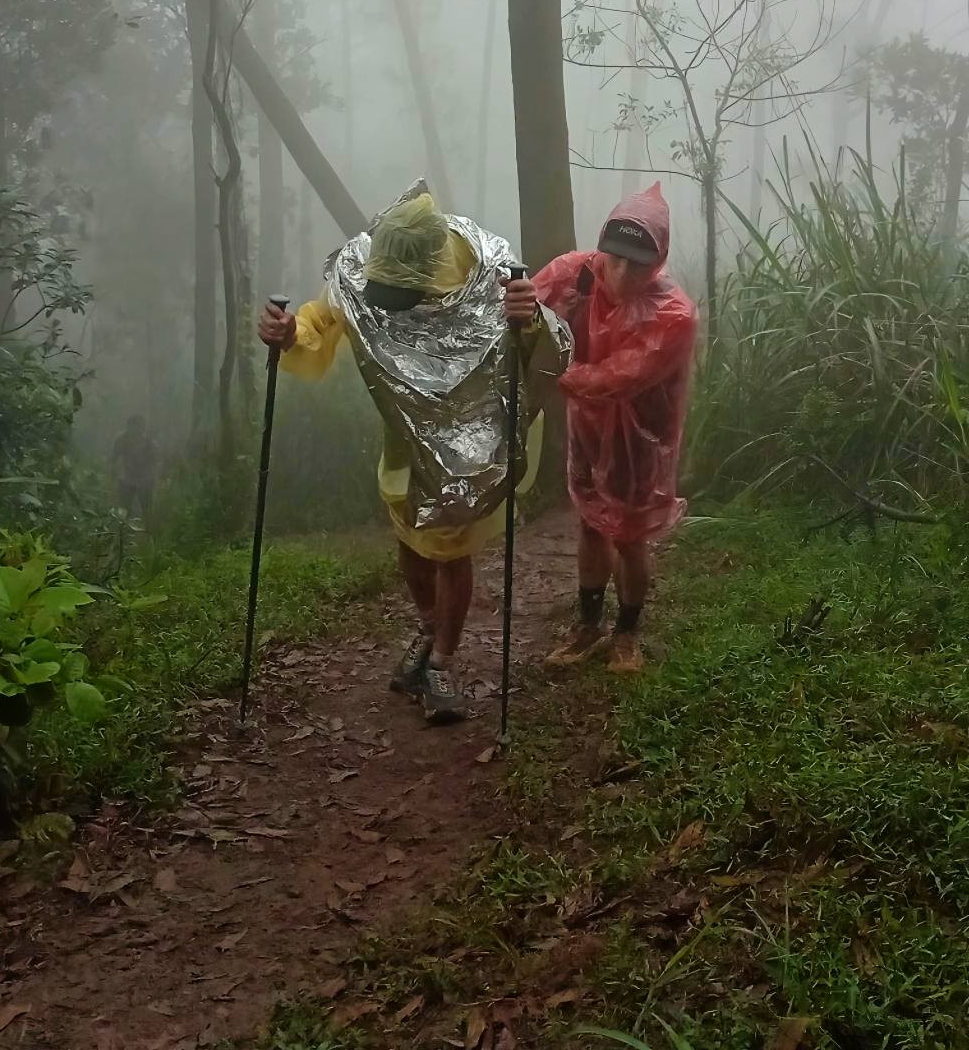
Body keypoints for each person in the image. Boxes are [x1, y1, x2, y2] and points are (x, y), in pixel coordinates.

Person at [258, 186, 568, 725]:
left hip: (474, 436)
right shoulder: (365, 265)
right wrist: (289, 335)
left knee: (450, 545)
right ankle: (428, 630)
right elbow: (320, 318)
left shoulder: (486, 272)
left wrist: (527, 319)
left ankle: (442, 662)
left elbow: (540, 353)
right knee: (408, 532)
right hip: (403, 429)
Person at [504, 183, 697, 674]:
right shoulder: (577, 274)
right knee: (591, 524)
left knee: (630, 536)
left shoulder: (672, 313)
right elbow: (524, 310)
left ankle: (627, 633)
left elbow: (617, 377)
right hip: (588, 427)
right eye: (617, 258)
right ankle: (588, 625)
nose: (624, 272)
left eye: (639, 263)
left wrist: (549, 374)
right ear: (603, 250)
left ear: (657, 263)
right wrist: (518, 307)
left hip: (642, 438)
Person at [109, 413, 158, 518]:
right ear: (128, 427)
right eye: (134, 427)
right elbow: (113, 458)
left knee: (147, 508)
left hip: (145, 479)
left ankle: (148, 529)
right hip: (126, 478)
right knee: (124, 509)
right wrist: (112, 474)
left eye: (140, 427)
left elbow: (155, 462)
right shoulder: (122, 439)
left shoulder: (149, 442)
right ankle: (124, 530)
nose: (137, 431)